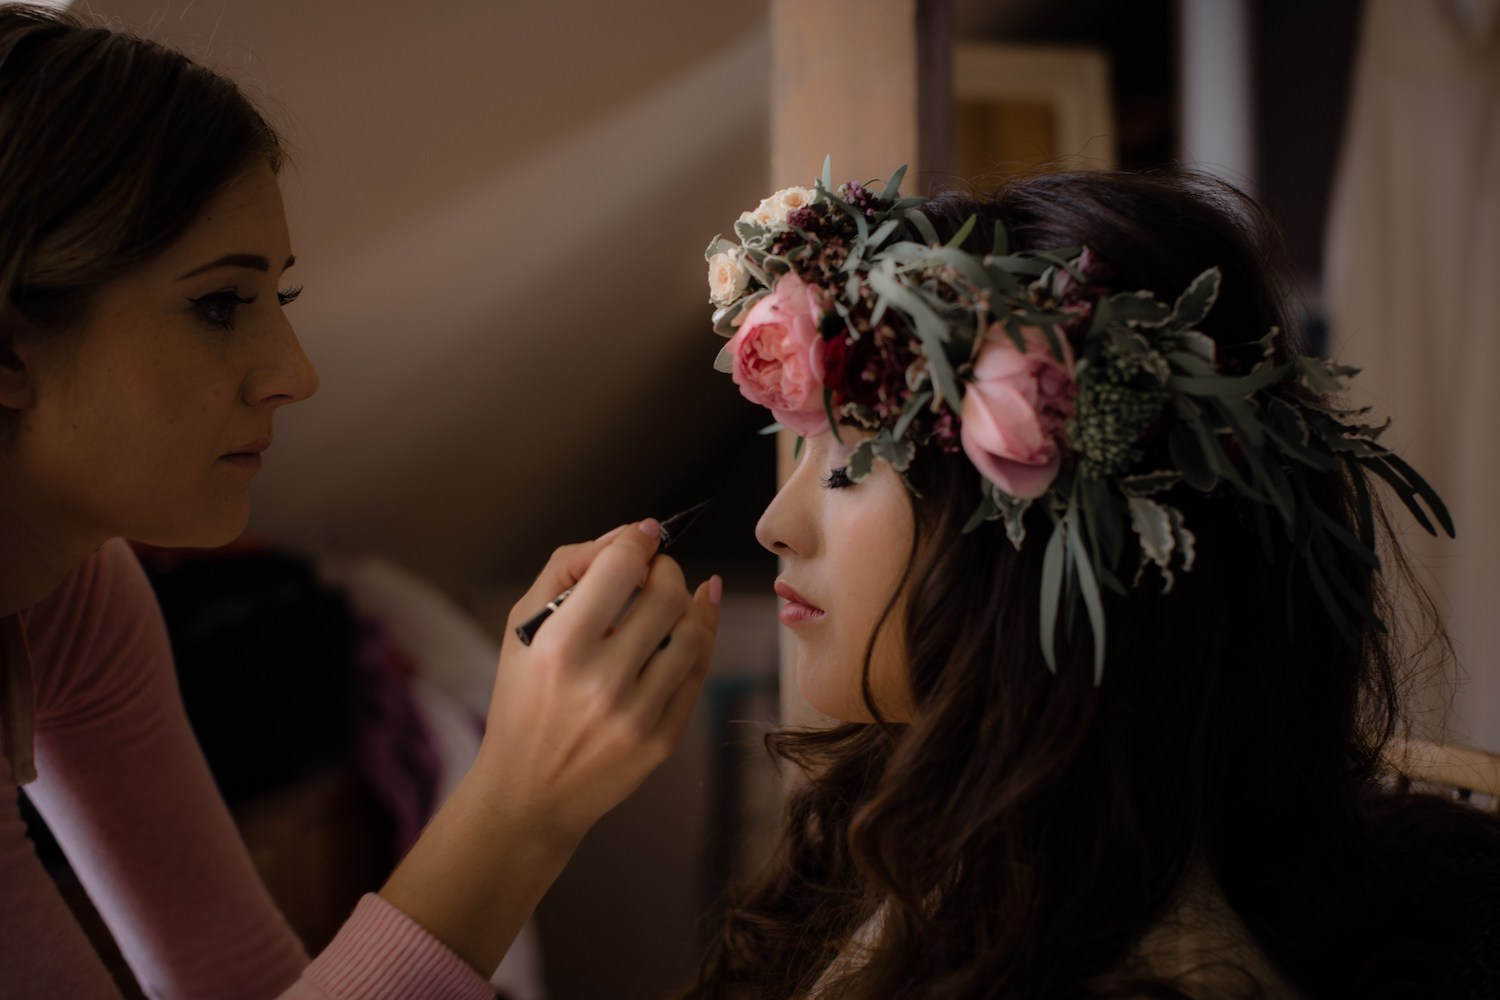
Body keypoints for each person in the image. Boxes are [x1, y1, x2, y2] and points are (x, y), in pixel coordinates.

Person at [0, 6, 719, 997]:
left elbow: (238, 985)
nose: (294, 375)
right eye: (219, 305)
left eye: (275, 303)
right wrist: (516, 808)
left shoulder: (72, 594)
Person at [688, 165, 1500, 997]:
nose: (773, 526)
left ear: (1029, 535)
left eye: (848, 463)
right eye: (805, 449)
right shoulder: (918, 854)